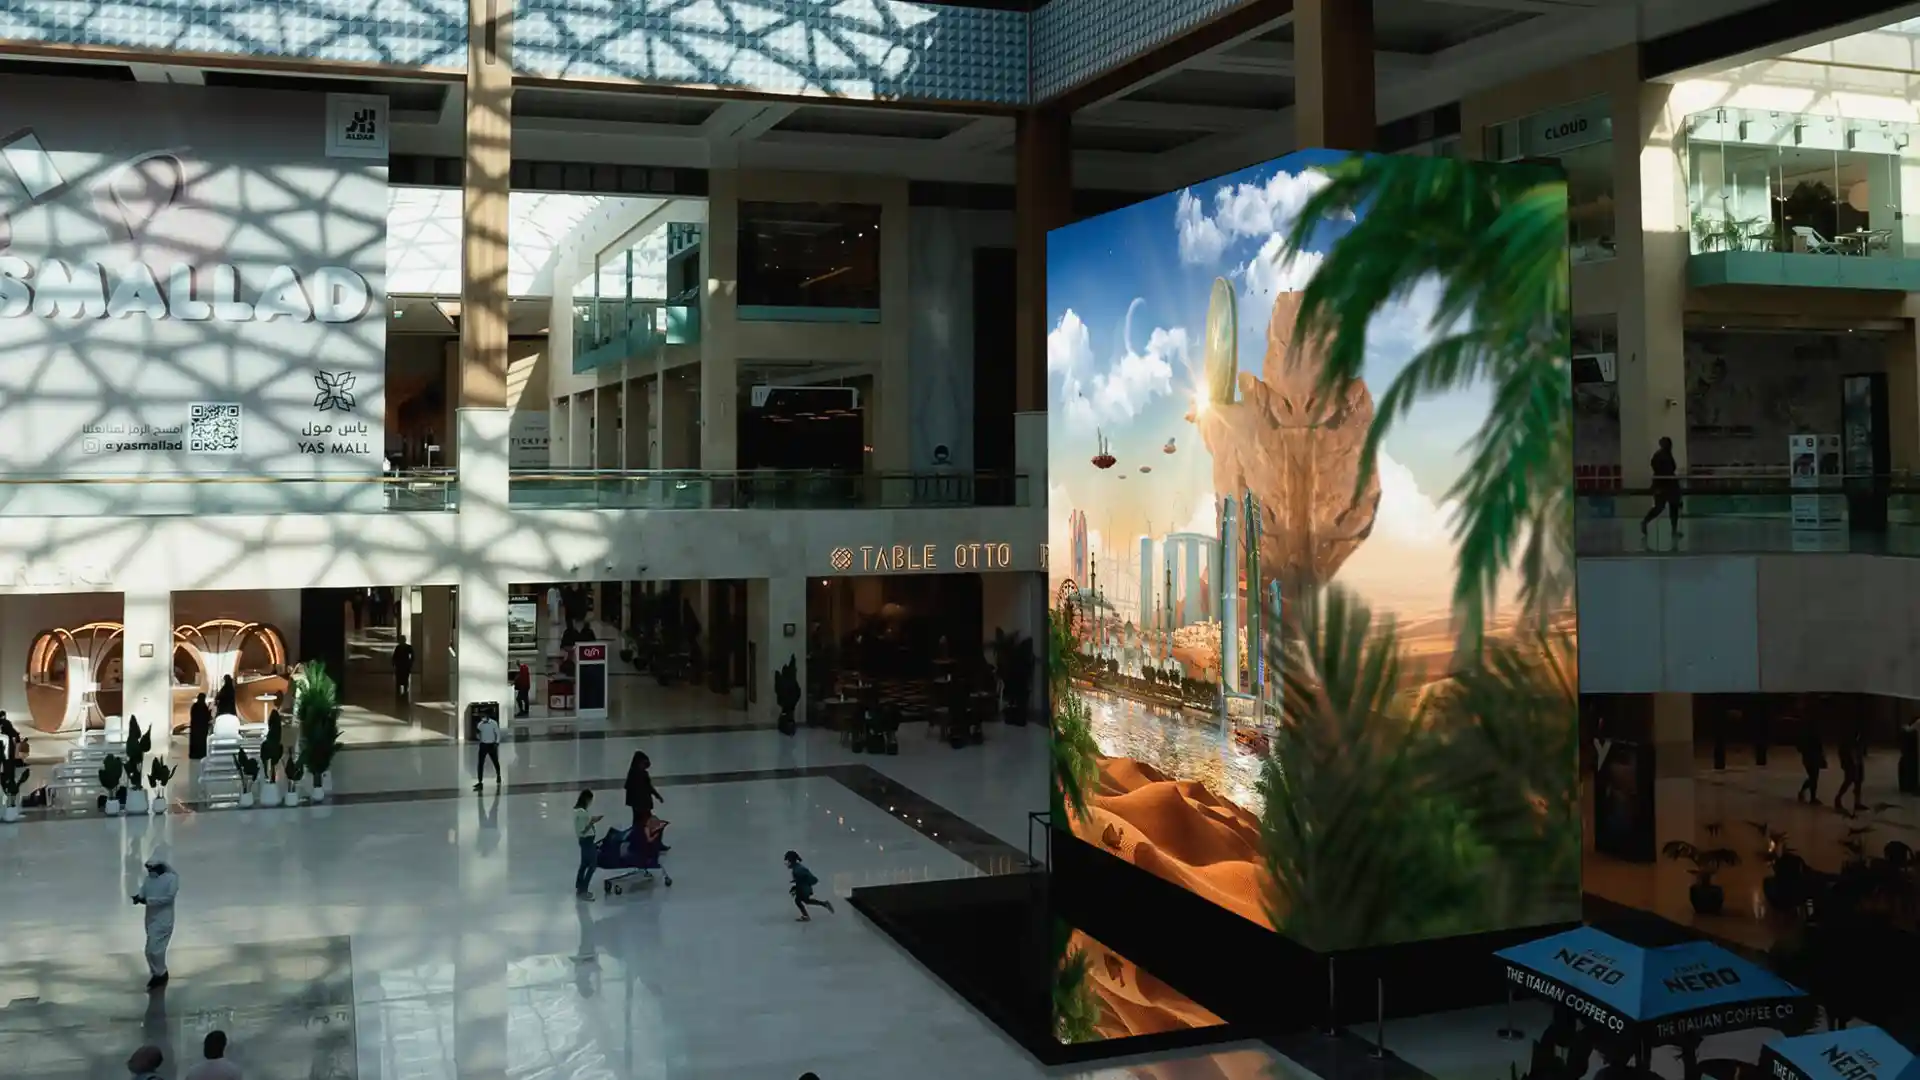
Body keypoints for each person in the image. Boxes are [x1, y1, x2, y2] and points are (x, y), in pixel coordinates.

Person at [132, 852, 180, 990]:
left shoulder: (172, 879)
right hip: (151, 919)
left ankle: (161, 973)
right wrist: (138, 897)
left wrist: (148, 901)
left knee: (156, 950)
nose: (150, 871)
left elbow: (169, 898)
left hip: (164, 919)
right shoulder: (149, 880)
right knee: (149, 950)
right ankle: (156, 973)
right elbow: (143, 892)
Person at [1641, 436, 1683, 541]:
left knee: (1673, 508)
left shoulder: (1666, 455)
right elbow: (1660, 471)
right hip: (1664, 485)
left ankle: (1674, 530)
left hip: (1669, 485)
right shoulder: (1660, 456)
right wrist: (1657, 486)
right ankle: (1645, 522)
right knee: (1660, 507)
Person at [784, 850, 833, 921]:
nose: (787, 863)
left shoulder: (798, 870)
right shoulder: (797, 868)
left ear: (791, 861)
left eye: (788, 861)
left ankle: (807, 916)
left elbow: (804, 878)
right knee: (806, 901)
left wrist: (796, 887)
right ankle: (824, 904)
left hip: (804, 888)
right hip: (805, 887)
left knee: (798, 901)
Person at [573, 790, 603, 901]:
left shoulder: (578, 811)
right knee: (592, 865)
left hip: (585, 841)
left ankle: (579, 887)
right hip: (587, 841)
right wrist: (592, 822)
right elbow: (583, 830)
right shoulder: (582, 813)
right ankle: (583, 890)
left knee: (584, 864)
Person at [624, 751, 662, 830]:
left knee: (642, 821)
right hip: (640, 804)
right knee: (642, 821)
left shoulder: (640, 774)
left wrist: (657, 796)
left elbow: (648, 787)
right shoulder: (634, 774)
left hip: (642, 803)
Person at [1796, 723, 1826, 803]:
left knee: (1813, 777)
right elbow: (1819, 747)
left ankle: (1807, 794)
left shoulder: (1805, 733)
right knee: (1814, 777)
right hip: (1812, 757)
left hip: (1809, 757)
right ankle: (1812, 797)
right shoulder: (1813, 734)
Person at [473, 708, 501, 793]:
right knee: (480, 763)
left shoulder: (493, 723)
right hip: (483, 745)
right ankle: (480, 781)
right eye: (482, 716)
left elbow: (497, 733)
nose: (482, 717)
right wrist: (477, 734)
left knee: (495, 761)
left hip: (491, 745)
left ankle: (498, 775)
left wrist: (496, 743)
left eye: (484, 715)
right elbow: (478, 736)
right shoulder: (480, 724)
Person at [188, 692, 213, 762]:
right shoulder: (204, 707)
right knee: (202, 742)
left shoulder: (195, 706)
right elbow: (206, 717)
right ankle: (201, 754)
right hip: (202, 729)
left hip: (195, 728)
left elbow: (193, 716)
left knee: (195, 741)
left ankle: (194, 754)